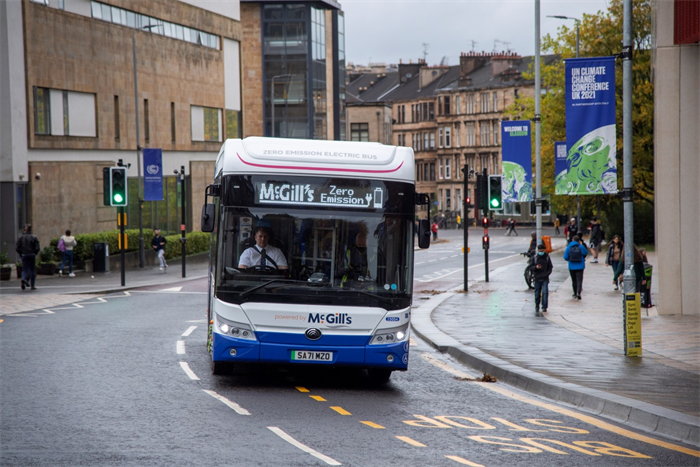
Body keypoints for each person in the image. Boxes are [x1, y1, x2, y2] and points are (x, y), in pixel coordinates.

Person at [16, 224, 40, 291]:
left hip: (24, 255)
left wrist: (21, 253)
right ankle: (32, 285)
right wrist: (35, 253)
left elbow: (17, 247)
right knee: (32, 269)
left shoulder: (21, 237)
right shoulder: (34, 237)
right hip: (32, 254)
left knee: (25, 269)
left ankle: (23, 279)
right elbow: (37, 247)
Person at [563, 235, 588, 300]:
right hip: (580, 266)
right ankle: (579, 293)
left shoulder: (569, 247)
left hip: (571, 266)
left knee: (574, 280)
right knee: (579, 280)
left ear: (572, 240)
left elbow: (565, 257)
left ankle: (574, 293)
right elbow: (586, 252)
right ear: (579, 241)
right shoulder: (581, 247)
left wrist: (570, 259)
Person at [531, 243, 553, 312]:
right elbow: (531, 267)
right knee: (537, 293)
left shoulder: (547, 257)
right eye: (539, 251)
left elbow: (550, 267)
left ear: (544, 250)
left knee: (545, 292)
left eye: (541, 251)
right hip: (537, 278)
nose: (540, 252)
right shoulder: (535, 257)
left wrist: (547, 274)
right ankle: (537, 305)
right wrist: (536, 267)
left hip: (545, 278)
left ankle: (544, 307)